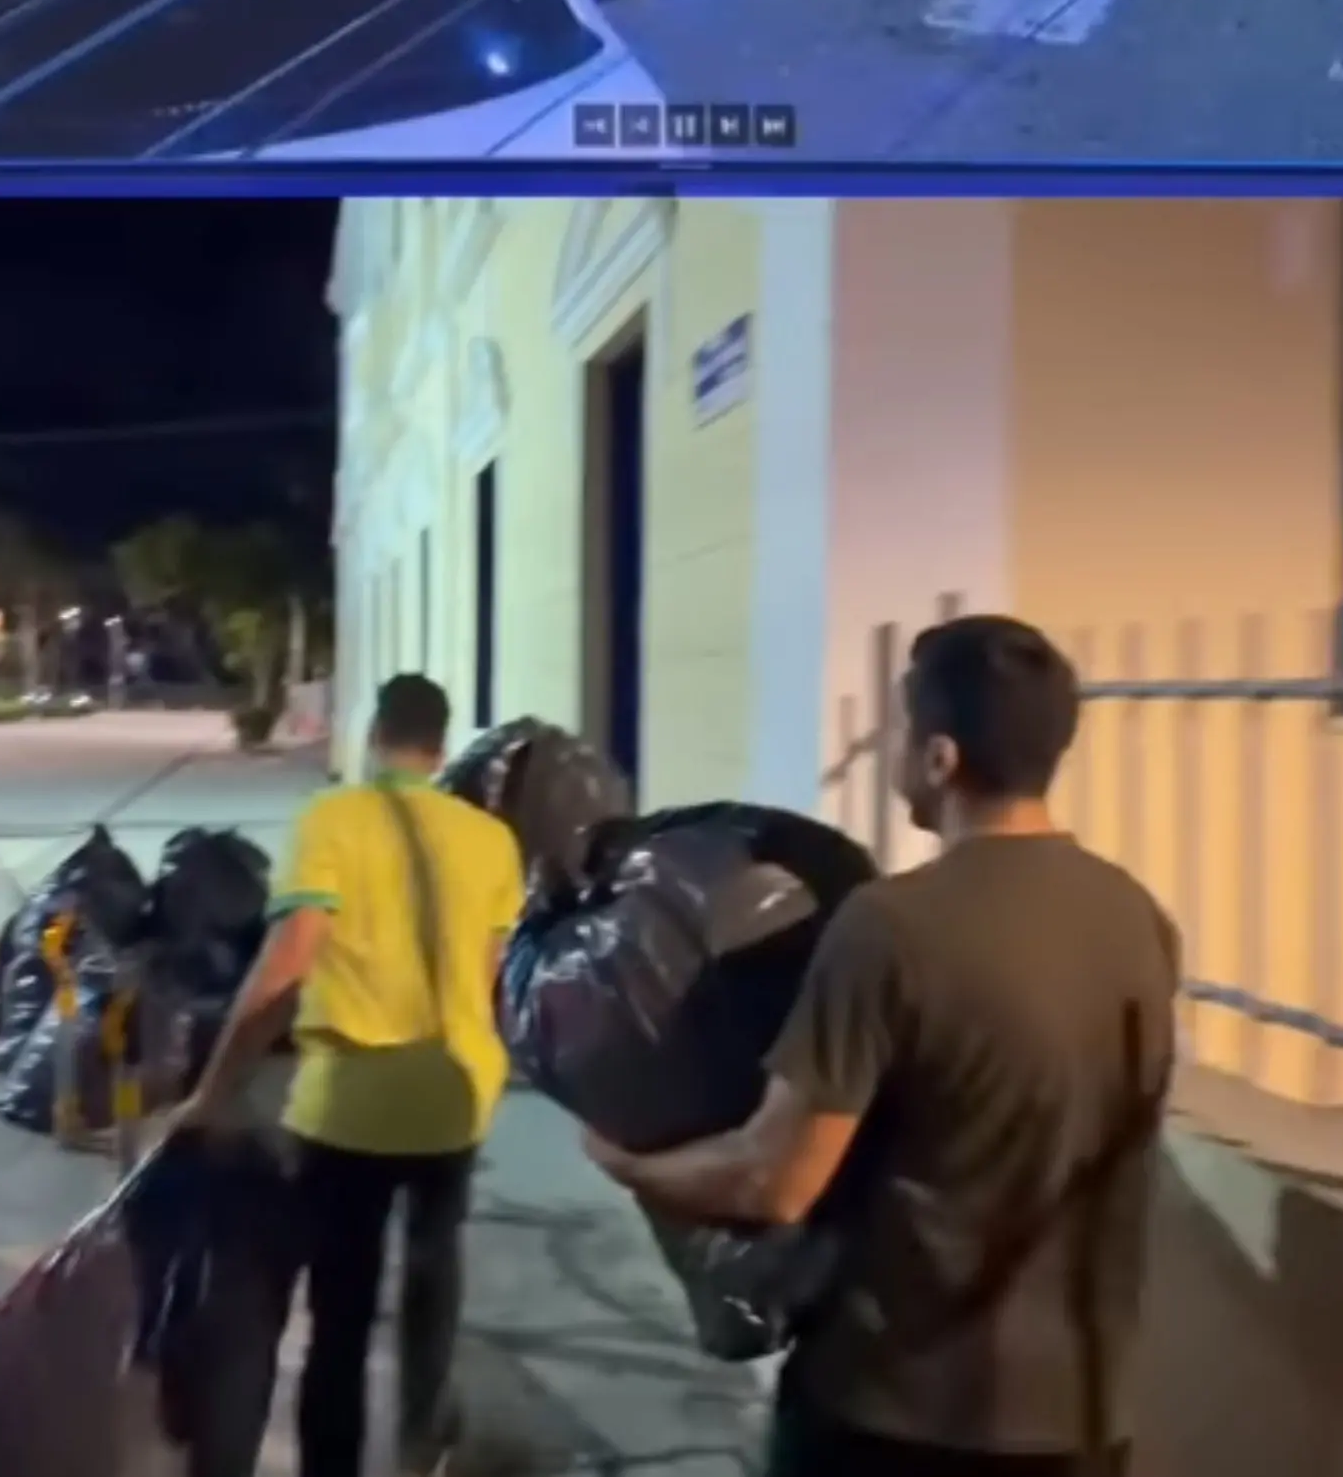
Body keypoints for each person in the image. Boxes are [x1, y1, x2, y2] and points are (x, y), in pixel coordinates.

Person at [583, 615, 1180, 1477]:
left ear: (940, 759)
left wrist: (629, 1164)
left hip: (892, 1415)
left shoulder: (889, 929)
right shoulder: (1139, 919)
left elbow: (775, 1178)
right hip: (1083, 1415)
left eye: (904, 731)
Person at [168, 672, 528, 1477]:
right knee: (435, 1278)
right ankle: (420, 1444)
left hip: (350, 1111)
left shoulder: (333, 820)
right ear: (440, 748)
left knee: (342, 1310)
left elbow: (287, 964)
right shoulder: (491, 841)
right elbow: (493, 976)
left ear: (375, 736)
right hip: (454, 1102)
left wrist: (213, 1091)